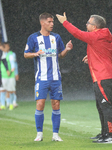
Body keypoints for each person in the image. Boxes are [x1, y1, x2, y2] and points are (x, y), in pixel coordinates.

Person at [56, 13, 112, 144]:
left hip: (103, 76)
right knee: (101, 106)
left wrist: (65, 22)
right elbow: (106, 52)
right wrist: (91, 55)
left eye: (88, 23)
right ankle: (105, 132)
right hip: (107, 75)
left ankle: (111, 135)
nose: (86, 25)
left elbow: (78, 33)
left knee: (105, 106)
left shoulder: (96, 36)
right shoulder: (105, 36)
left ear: (95, 26)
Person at [24, 12, 73, 142]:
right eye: (50, 22)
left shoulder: (56, 37)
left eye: (52, 22)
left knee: (56, 104)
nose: (52, 24)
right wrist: (36, 53)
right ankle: (39, 134)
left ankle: (55, 134)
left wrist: (67, 49)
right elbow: (25, 54)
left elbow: (60, 55)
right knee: (40, 103)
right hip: (41, 77)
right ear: (42, 23)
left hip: (56, 78)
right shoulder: (33, 38)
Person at [0, 42, 16, 110]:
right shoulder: (2, 54)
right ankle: (3, 104)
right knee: (2, 90)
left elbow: (12, 63)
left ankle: (11, 104)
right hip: (3, 76)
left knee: (10, 91)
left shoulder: (11, 54)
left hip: (10, 75)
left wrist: (12, 70)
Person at [0, 43, 9, 110]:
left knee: (1, 88)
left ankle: (2, 104)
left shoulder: (1, 52)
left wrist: (7, 69)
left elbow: (4, 61)